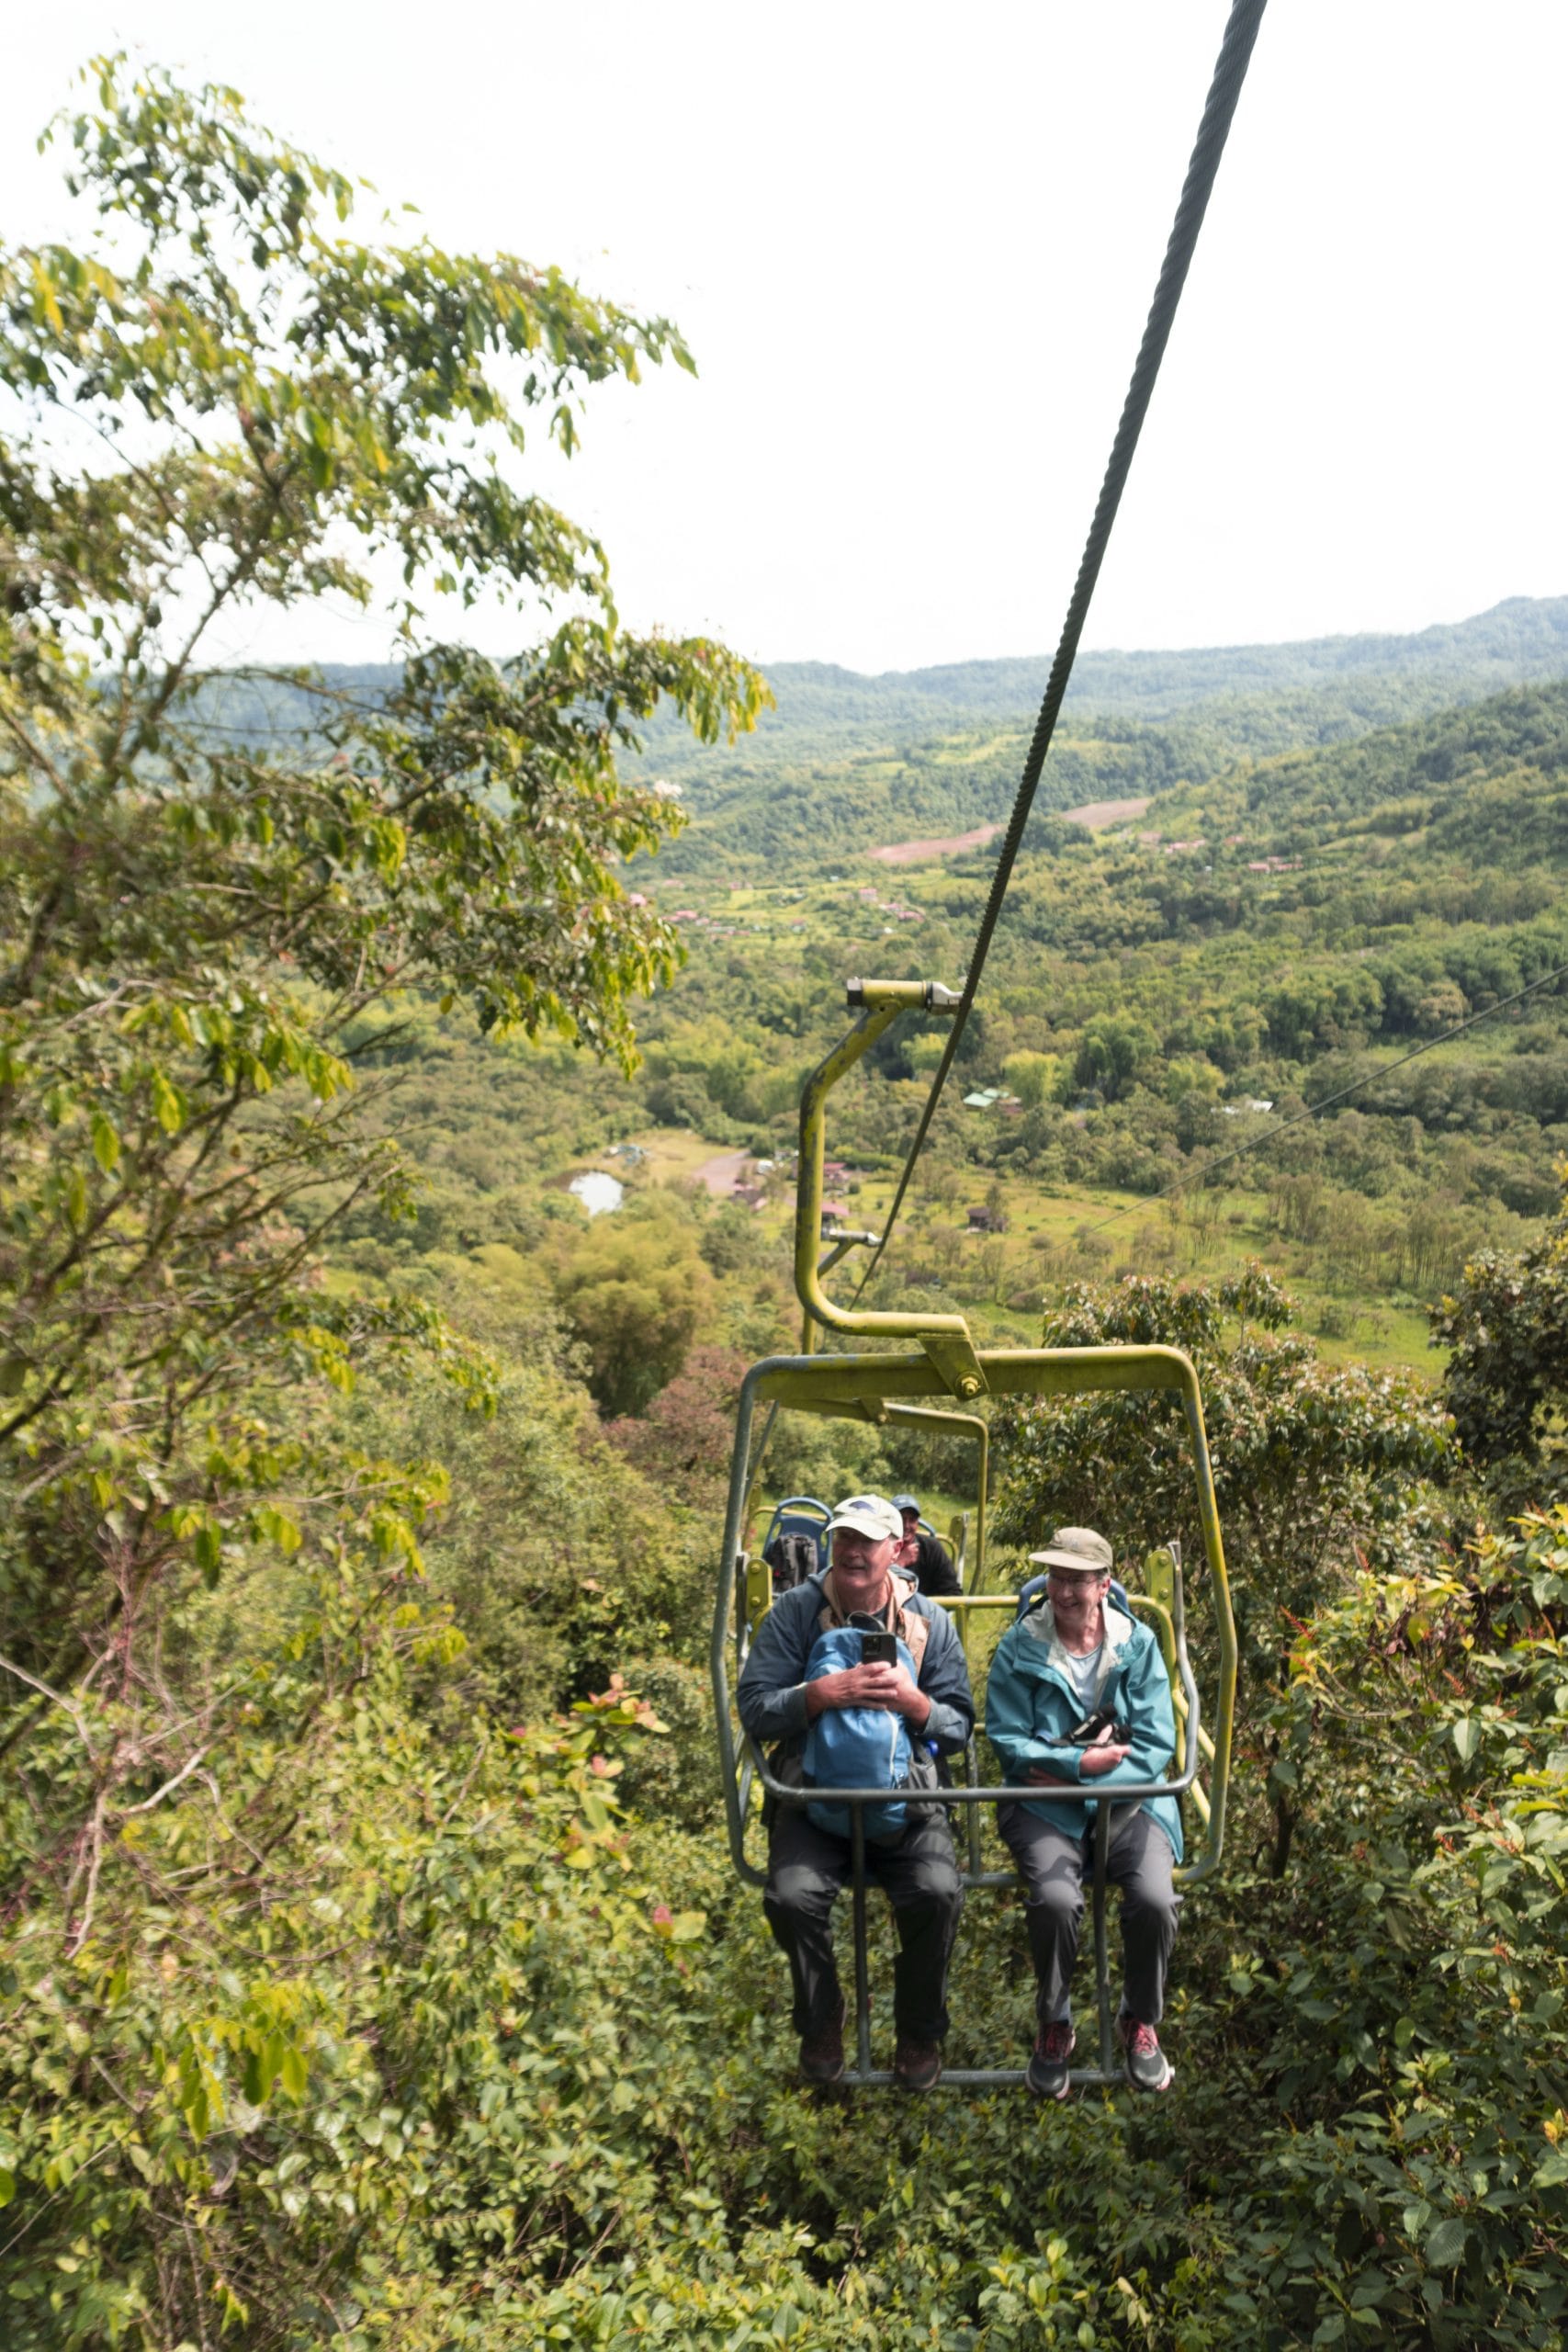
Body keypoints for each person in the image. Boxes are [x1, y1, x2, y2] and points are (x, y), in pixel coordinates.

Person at [738, 1491, 975, 2091]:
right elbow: (756, 1709)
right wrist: (819, 1695)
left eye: (867, 1542)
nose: (853, 1552)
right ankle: (822, 2019)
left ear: (896, 1550)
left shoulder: (930, 1623)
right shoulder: (795, 1613)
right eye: (844, 1538)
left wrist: (915, 1704)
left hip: (907, 1801)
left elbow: (958, 1728)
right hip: (813, 1798)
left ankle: (918, 2029)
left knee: (937, 1892)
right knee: (790, 1897)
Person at [985, 1525, 1181, 2099]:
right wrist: (1080, 1765)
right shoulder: (1020, 1645)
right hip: (1044, 1808)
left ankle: (1139, 2018)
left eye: (1078, 1580)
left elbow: (1155, 1745)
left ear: (1103, 1585)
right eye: (1056, 1577)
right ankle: (1055, 2022)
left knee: (1155, 1899)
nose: (1065, 1592)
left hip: (1128, 1804)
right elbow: (1007, 1739)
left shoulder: (1137, 1645)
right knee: (1054, 1900)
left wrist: (1076, 1774)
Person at [891, 1493, 962, 1598]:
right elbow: (871, 1589)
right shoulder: (879, 1547)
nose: (906, 1526)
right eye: (901, 1519)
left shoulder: (931, 1548)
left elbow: (952, 1591)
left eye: (912, 1520)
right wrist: (899, 1563)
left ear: (917, 1523)